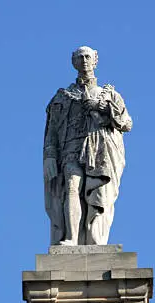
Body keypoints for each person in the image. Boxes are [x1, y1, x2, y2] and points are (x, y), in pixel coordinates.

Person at [43, 46, 132, 245]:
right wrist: (49, 156)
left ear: (95, 60)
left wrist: (104, 108)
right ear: (74, 62)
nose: (84, 61)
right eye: (80, 57)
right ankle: (71, 237)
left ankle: (95, 239)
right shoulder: (63, 96)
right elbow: (52, 130)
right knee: (72, 188)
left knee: (98, 193)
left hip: (99, 150)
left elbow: (127, 123)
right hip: (71, 149)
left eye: (87, 57)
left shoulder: (109, 95)